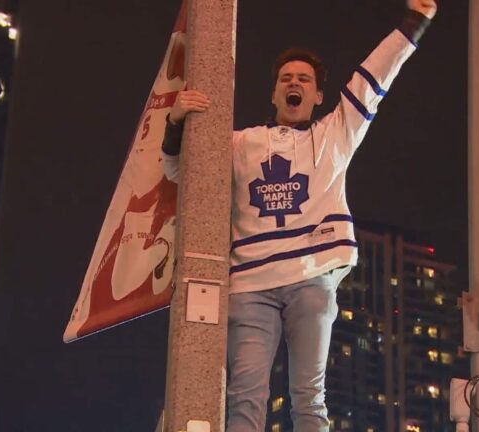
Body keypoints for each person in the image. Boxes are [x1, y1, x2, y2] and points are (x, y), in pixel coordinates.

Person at [162, 1, 437, 430]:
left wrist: (413, 24)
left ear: (318, 95)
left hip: (312, 277)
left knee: (309, 399)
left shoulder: (335, 135)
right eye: (286, 78)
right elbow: (183, 172)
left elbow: (373, 79)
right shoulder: (241, 144)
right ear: (274, 93)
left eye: (304, 79)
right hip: (250, 286)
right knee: (244, 399)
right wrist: (176, 122)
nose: (294, 83)